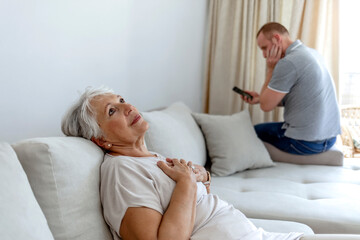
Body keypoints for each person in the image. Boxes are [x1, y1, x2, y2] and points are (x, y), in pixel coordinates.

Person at [61, 86, 305, 240]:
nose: (128, 106)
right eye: (112, 111)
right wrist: (187, 182)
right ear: (101, 140)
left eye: (122, 99)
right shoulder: (121, 169)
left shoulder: (152, 157)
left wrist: (202, 178)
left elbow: (194, 209)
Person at [241, 22, 341, 155]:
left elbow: (266, 106)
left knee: (250, 132)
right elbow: (300, 99)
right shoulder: (312, 53)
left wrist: (271, 69)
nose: (264, 55)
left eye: (264, 48)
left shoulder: (289, 62)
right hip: (330, 139)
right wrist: (260, 98)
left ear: (277, 38)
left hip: (306, 143)